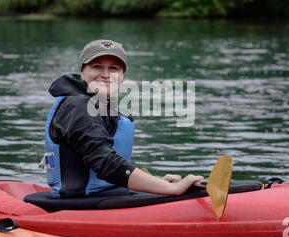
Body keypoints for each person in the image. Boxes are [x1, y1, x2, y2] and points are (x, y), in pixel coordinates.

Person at [40, 39, 203, 199]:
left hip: (107, 193)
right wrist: (169, 188)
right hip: (81, 201)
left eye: (114, 68)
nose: (105, 74)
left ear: (122, 76)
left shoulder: (102, 107)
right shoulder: (78, 106)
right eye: (97, 67)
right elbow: (106, 163)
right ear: (82, 73)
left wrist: (157, 183)